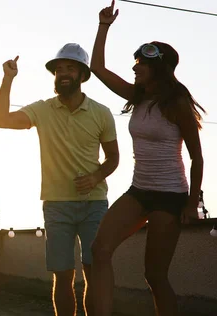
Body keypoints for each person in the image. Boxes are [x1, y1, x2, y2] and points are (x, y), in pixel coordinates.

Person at [90, 2, 204, 315]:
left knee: (154, 275)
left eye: (141, 63)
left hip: (170, 196)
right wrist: (104, 26)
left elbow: (197, 158)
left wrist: (192, 203)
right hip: (139, 191)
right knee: (99, 250)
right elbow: (97, 69)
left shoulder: (176, 103)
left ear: (160, 68)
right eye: (136, 62)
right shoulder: (137, 97)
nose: (135, 67)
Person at [0, 44, 119, 316]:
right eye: (58, 69)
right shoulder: (42, 109)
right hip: (56, 205)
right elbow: (0, 119)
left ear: (82, 75)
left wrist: (96, 175)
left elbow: (113, 159)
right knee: (62, 276)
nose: (63, 73)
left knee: (93, 272)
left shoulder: (102, 113)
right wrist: (7, 79)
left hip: (94, 204)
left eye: (70, 68)